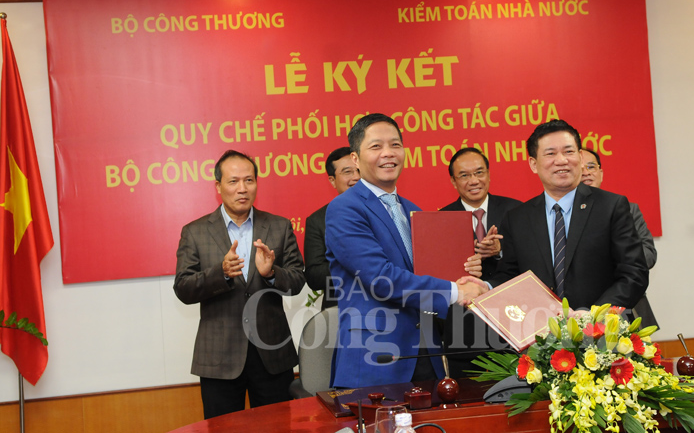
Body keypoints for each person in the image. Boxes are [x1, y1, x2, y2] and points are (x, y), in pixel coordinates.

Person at [325, 113, 486, 388]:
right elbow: (380, 278)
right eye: (376, 146)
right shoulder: (344, 209)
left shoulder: (412, 210)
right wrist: (457, 291)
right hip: (374, 357)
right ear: (355, 159)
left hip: (425, 353)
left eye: (395, 145)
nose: (388, 153)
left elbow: (427, 271)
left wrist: (464, 273)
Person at [174, 150, 305, 419]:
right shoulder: (195, 231)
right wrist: (220, 273)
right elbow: (183, 288)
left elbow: (297, 281)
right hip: (219, 357)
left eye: (249, 180)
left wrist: (272, 273)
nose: (242, 188)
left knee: (278, 427)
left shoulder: (279, 226)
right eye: (233, 181)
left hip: (271, 354)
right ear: (218, 186)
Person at [498, 119, 648, 311]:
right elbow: (509, 278)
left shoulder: (611, 207)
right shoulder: (517, 219)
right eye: (550, 153)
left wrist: (594, 315)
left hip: (599, 326)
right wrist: (485, 287)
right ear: (533, 164)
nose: (561, 160)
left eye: (568, 151)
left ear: (580, 157)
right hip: (540, 326)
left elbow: (634, 273)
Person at [438, 147, 521, 377]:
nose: (473, 180)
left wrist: (500, 251)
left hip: (510, 325)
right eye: (464, 175)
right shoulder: (442, 219)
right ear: (453, 181)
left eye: (479, 172)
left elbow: (531, 263)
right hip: (463, 330)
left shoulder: (517, 211)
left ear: (489, 174)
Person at [580, 148, 659, 327]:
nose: (586, 172)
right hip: (581, 310)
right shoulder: (563, 214)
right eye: (581, 167)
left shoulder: (628, 209)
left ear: (601, 173)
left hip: (630, 307)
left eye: (591, 166)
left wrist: (616, 260)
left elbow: (648, 255)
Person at [304, 146, 360, 309]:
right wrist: (356, 264)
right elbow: (314, 276)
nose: (356, 177)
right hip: (341, 309)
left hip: (390, 307)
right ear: (332, 180)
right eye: (347, 172)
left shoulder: (387, 209)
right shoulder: (318, 221)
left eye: (359, 170)